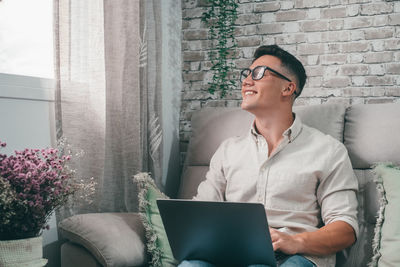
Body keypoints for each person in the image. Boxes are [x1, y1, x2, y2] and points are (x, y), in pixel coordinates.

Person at [179, 45, 359, 267]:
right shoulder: (228, 150)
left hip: (297, 256)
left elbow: (345, 228)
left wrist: (295, 241)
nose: (246, 81)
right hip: (232, 254)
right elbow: (199, 214)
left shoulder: (328, 151)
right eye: (246, 74)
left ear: (288, 88)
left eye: (258, 73)